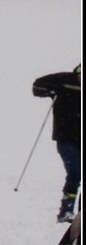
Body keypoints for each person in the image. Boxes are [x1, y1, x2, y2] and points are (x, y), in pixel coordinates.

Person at [32, 63, 81, 223]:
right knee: (76, 173)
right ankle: (66, 211)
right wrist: (52, 90)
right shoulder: (65, 80)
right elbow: (37, 86)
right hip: (65, 138)